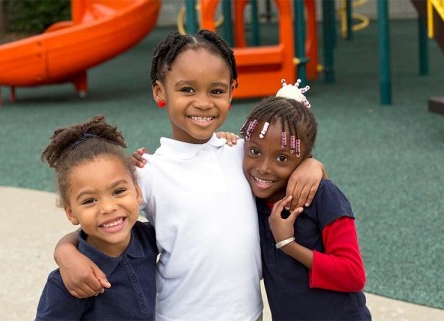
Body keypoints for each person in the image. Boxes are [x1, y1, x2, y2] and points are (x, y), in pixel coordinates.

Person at [54, 30, 326, 321]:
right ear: (160, 92)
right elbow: (103, 221)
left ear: (232, 91)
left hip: (249, 314)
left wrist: (312, 164)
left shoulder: (245, 154)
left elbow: (286, 164)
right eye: (187, 90)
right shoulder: (148, 172)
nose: (204, 102)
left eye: (216, 91)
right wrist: (65, 251)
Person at [240, 80, 372, 320]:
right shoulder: (251, 197)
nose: (264, 168)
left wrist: (287, 244)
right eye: (255, 151)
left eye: (282, 158)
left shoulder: (323, 196)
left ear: (305, 160)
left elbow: (354, 275)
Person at [36, 115, 158, 320]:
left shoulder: (149, 237)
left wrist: (215, 144)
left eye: (118, 191)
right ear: (71, 213)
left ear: (137, 192)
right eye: (89, 200)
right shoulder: (70, 282)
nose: (108, 207)